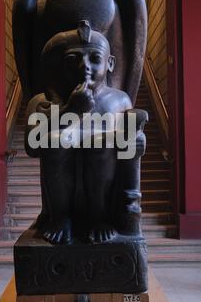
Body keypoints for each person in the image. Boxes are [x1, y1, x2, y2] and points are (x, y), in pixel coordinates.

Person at [25, 21, 147, 244]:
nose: (85, 66)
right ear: (59, 65)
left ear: (110, 64)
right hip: (59, 199)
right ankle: (61, 218)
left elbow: (129, 142)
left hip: (104, 194)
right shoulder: (43, 102)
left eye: (94, 58)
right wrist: (69, 111)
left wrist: (137, 142)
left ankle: (99, 218)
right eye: (73, 59)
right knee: (54, 142)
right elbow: (33, 147)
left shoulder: (119, 100)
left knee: (101, 143)